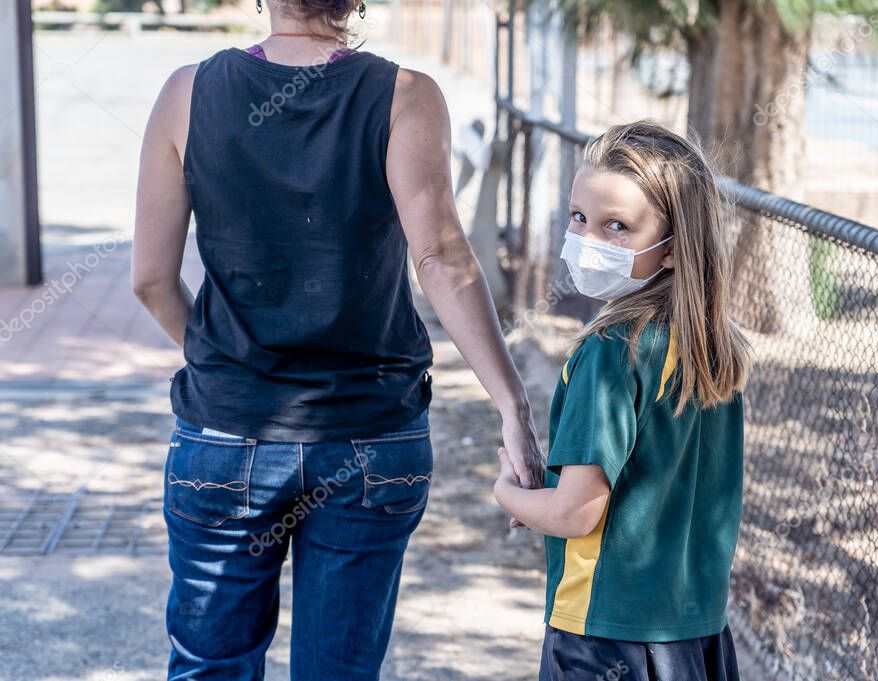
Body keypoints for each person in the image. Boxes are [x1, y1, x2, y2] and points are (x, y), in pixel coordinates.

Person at [131, 1, 545, 679]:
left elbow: (150, 278)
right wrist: (512, 407)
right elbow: (440, 256)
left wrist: (225, 363)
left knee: (208, 667)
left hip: (226, 432)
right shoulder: (405, 96)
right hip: (370, 437)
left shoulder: (187, 93)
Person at [493, 120, 752, 681]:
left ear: (674, 249)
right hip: (696, 636)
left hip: (605, 636)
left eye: (617, 227)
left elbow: (573, 511)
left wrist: (510, 495)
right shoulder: (711, 350)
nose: (588, 241)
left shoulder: (611, 353)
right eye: (579, 218)